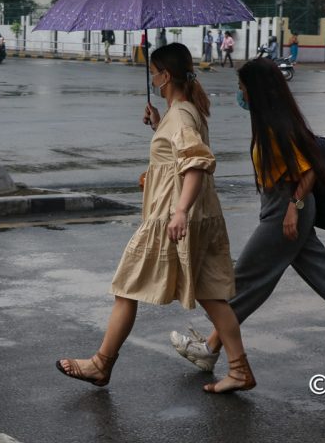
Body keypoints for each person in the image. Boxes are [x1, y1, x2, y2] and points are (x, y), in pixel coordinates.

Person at [57, 43, 256, 394]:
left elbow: (194, 164)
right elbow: (178, 160)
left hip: (170, 219)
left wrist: (178, 211)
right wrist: (157, 128)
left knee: (126, 287)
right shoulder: (184, 112)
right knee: (212, 296)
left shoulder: (179, 116)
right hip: (202, 216)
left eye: (153, 72)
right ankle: (239, 369)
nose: (151, 79)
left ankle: (101, 364)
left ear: (164, 76)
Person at [170, 58, 325, 378]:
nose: (240, 94)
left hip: (285, 209)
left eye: (243, 88)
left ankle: (211, 349)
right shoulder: (273, 121)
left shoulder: (276, 127)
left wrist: (293, 208)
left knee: (244, 278)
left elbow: (311, 169)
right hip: (283, 207)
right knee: (324, 272)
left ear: (257, 90)